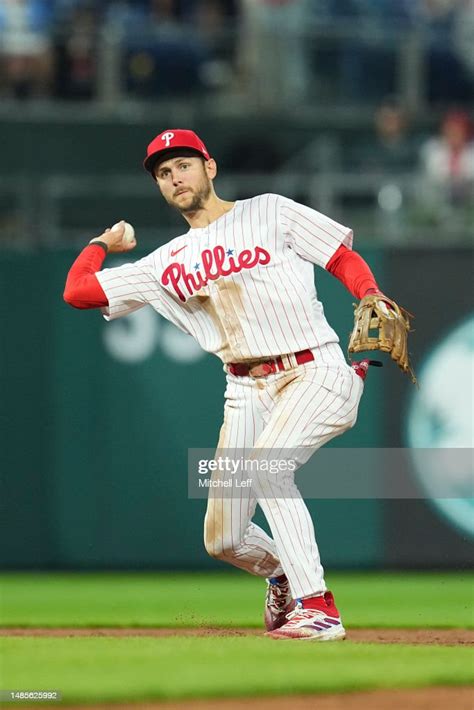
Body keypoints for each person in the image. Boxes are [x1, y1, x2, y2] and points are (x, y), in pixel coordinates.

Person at [64, 129, 388, 641]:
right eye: (164, 173)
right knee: (224, 540)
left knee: (268, 468)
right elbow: (78, 292)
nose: (176, 178)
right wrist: (102, 243)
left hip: (315, 370)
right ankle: (282, 573)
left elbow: (340, 258)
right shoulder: (165, 262)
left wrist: (370, 293)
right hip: (244, 391)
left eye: (184, 165)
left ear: (209, 168)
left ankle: (318, 607)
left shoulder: (270, 211)